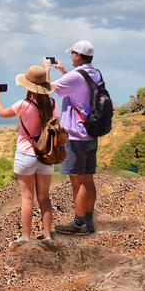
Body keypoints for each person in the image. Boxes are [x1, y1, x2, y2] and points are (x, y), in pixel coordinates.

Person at [0, 66, 59, 243]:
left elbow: (1, 113)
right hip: (45, 155)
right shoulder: (52, 104)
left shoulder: (24, 105)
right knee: (44, 197)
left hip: (26, 155)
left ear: (28, 86)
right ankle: (47, 235)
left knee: (27, 198)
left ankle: (26, 237)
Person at [44, 39, 102, 235]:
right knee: (88, 179)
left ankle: (79, 224)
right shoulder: (95, 73)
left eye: (72, 54)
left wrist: (47, 69)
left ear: (78, 56)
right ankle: (89, 220)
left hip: (76, 136)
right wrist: (63, 70)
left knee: (77, 181)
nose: (71, 57)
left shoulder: (76, 76)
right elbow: (78, 87)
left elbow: (47, 88)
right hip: (91, 134)